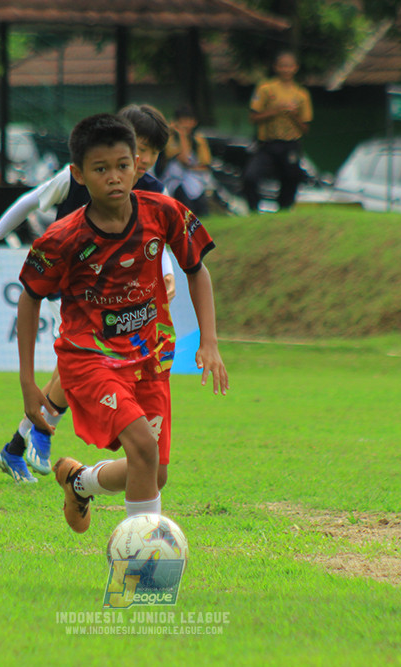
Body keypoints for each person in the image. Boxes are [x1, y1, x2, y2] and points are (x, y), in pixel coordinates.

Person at [17, 113, 228, 533]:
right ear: (78, 174)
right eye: (101, 169)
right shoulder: (63, 238)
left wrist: (209, 341)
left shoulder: (163, 212)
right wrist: (27, 381)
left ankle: (80, 482)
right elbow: (30, 297)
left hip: (149, 358)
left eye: (123, 166)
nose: (114, 178)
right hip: (90, 359)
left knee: (152, 470)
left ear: (137, 164)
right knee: (143, 447)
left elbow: (196, 269)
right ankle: (140, 562)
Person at [0, 104, 174, 485]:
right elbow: (31, 201)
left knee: (77, 367)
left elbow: (159, 238)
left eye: (152, 151)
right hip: (73, 287)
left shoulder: (152, 191)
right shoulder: (80, 175)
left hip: (118, 299)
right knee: (77, 364)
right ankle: (37, 437)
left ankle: (18, 446)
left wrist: (166, 274)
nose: (144, 158)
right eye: (141, 147)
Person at [242, 51, 312, 213]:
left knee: (292, 178)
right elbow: (253, 117)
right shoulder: (265, 89)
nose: (286, 70)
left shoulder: (301, 94)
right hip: (267, 143)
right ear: (276, 68)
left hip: (290, 144)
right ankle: (253, 210)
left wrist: (293, 115)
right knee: (250, 177)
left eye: (289, 66)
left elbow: (306, 128)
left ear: (295, 68)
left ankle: (283, 212)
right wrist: (276, 110)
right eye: (282, 66)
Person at [162, 105, 212, 216]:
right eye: (182, 121)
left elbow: (205, 164)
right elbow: (184, 159)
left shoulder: (198, 139)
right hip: (174, 180)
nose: (186, 124)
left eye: (189, 121)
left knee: (202, 205)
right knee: (186, 205)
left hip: (195, 179)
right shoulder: (170, 138)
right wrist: (182, 135)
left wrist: (191, 168)